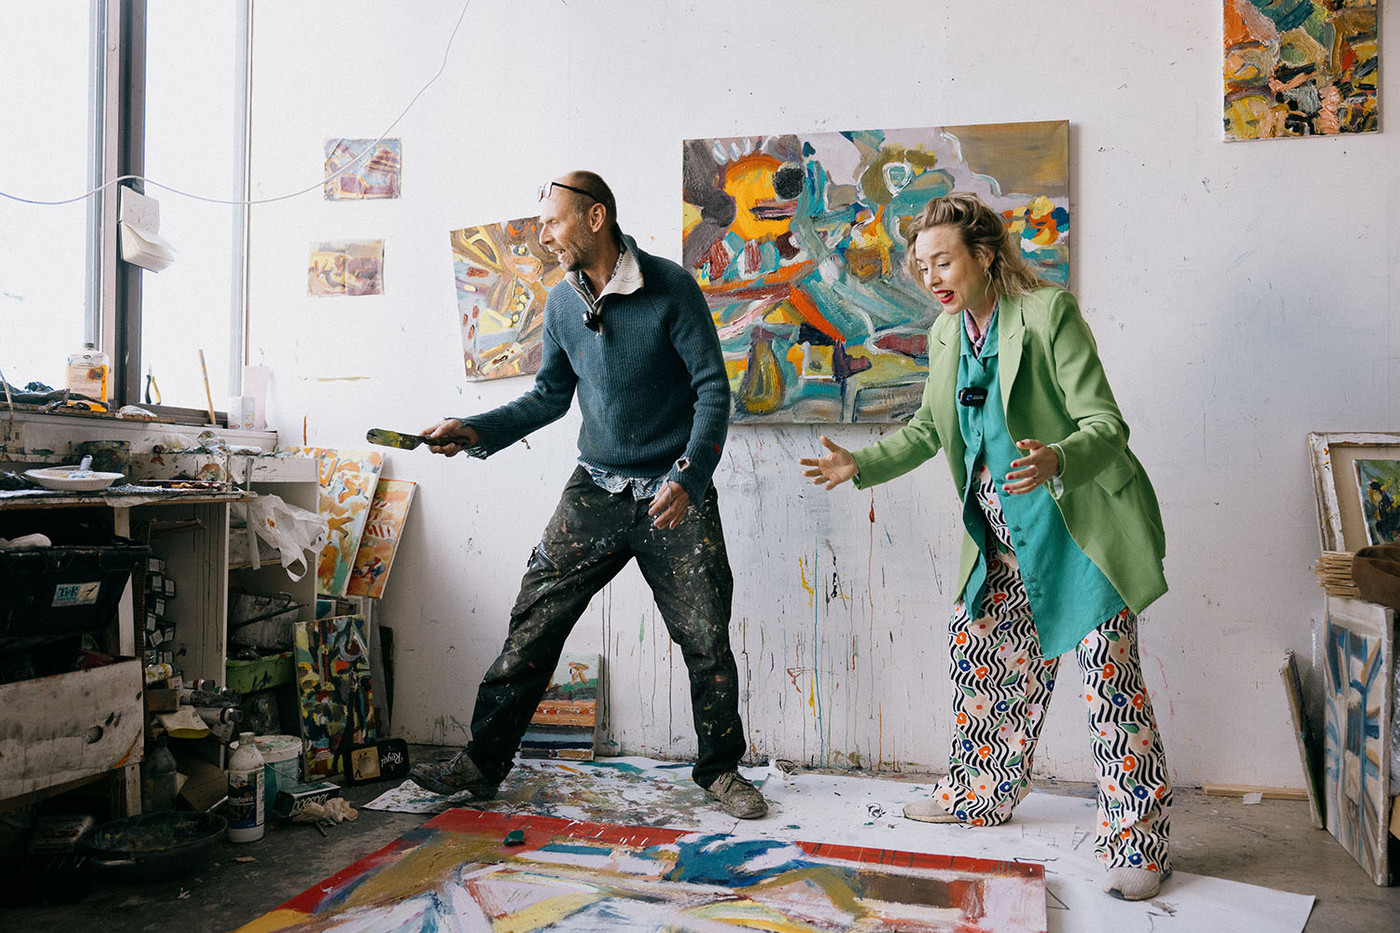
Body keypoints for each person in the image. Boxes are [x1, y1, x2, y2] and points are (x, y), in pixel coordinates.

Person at [799, 192, 1171, 900]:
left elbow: (1106, 422)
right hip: (998, 544)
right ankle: (977, 790)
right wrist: (861, 465)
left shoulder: (1048, 313)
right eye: (922, 265)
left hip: (1077, 537)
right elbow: (929, 429)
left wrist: (1058, 457)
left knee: (1109, 695)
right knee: (980, 663)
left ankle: (1139, 842)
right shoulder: (945, 334)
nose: (931, 275)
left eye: (943, 260)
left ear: (984, 256)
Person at [410, 171, 766, 819]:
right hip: (595, 489)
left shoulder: (671, 288)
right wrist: (474, 430)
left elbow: (713, 390)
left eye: (552, 220)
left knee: (706, 638)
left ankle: (720, 769)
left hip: (673, 492)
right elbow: (549, 397)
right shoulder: (560, 304)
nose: (543, 234)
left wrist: (690, 477)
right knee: (532, 622)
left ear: (595, 217)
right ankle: (481, 762)